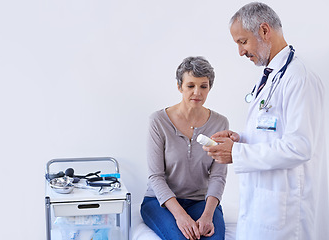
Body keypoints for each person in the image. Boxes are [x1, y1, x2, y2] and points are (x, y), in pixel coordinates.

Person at [202, 2, 329, 240]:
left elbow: (300, 147)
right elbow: (273, 132)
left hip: (285, 216)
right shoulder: (271, 76)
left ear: (263, 30)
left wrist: (237, 153)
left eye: (242, 42)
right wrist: (241, 140)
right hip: (264, 207)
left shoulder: (298, 78)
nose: (240, 52)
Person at [140, 56, 229, 240]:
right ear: (180, 87)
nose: (197, 92)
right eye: (190, 86)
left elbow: (218, 175)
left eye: (203, 86)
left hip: (200, 202)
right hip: (160, 203)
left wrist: (207, 215)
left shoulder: (220, 123)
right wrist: (181, 217)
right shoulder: (158, 122)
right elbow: (155, 176)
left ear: (209, 88)